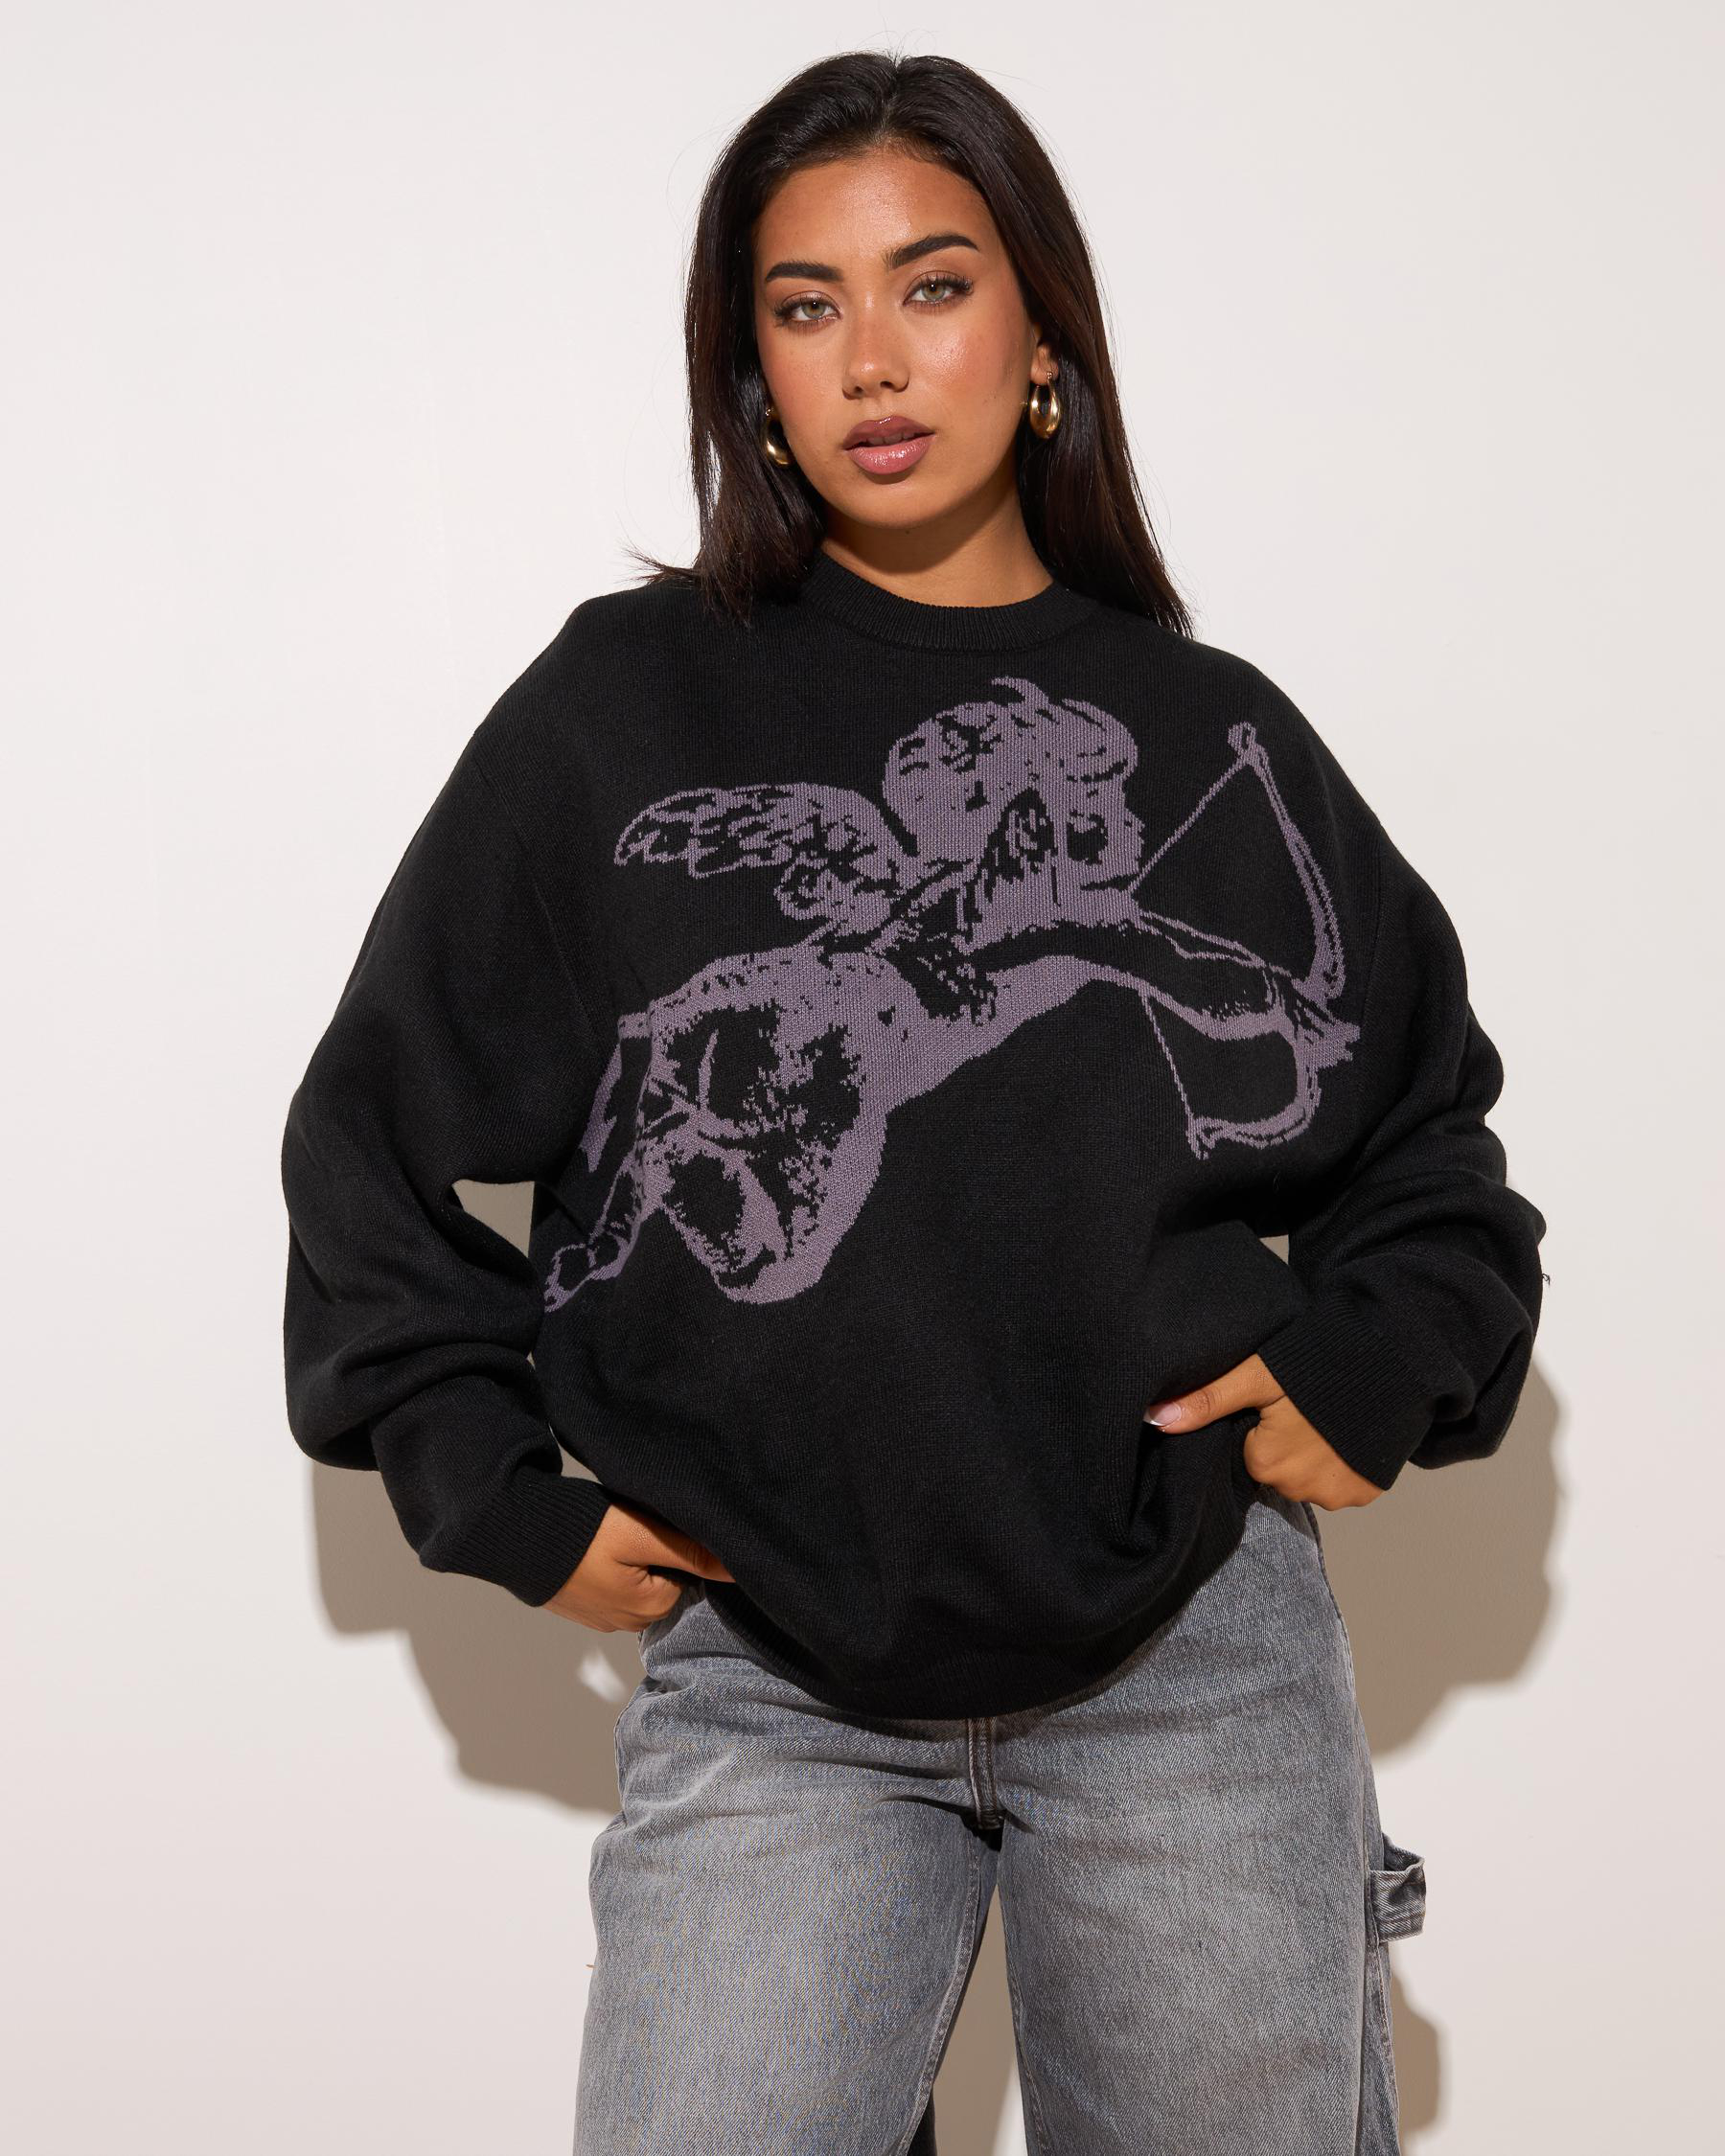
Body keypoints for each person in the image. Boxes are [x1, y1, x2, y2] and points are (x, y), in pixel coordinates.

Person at [278, 48, 1546, 2156]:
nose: (872, 357)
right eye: (807, 305)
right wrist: (494, 1483)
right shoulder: (626, 706)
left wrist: (1378, 1358)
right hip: (773, 1666)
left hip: (1188, 1661)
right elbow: (372, 1130)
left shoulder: (1199, 730)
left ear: (1042, 338)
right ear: (753, 375)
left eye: (933, 285)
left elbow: (1423, 1132)